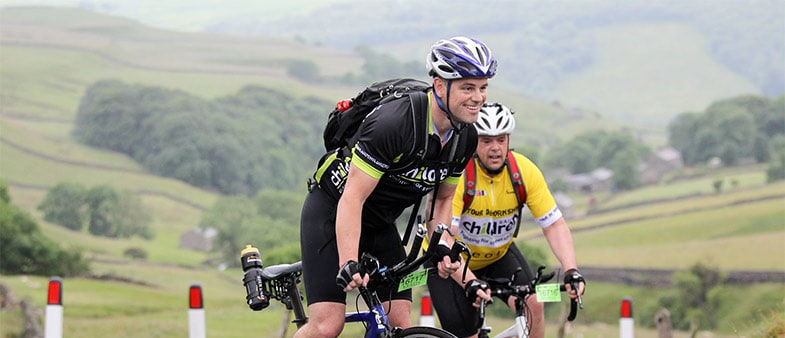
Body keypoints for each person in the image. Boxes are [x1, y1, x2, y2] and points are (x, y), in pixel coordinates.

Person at [296, 36, 498, 338]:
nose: (478, 97)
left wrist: (443, 247)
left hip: (380, 223)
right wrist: (349, 261)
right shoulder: (396, 123)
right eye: (468, 87)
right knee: (327, 326)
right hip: (332, 211)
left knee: (400, 325)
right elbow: (352, 198)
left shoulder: (464, 138)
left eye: (482, 88)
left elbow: (442, 204)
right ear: (440, 86)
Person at [426, 102, 586, 338]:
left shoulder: (524, 171)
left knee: (534, 302)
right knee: (467, 333)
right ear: (473, 140)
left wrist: (571, 270)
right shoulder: (461, 174)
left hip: (497, 255)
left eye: (501, 140)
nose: (495, 148)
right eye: (486, 140)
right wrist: (470, 281)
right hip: (451, 263)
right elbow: (447, 238)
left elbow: (554, 225)